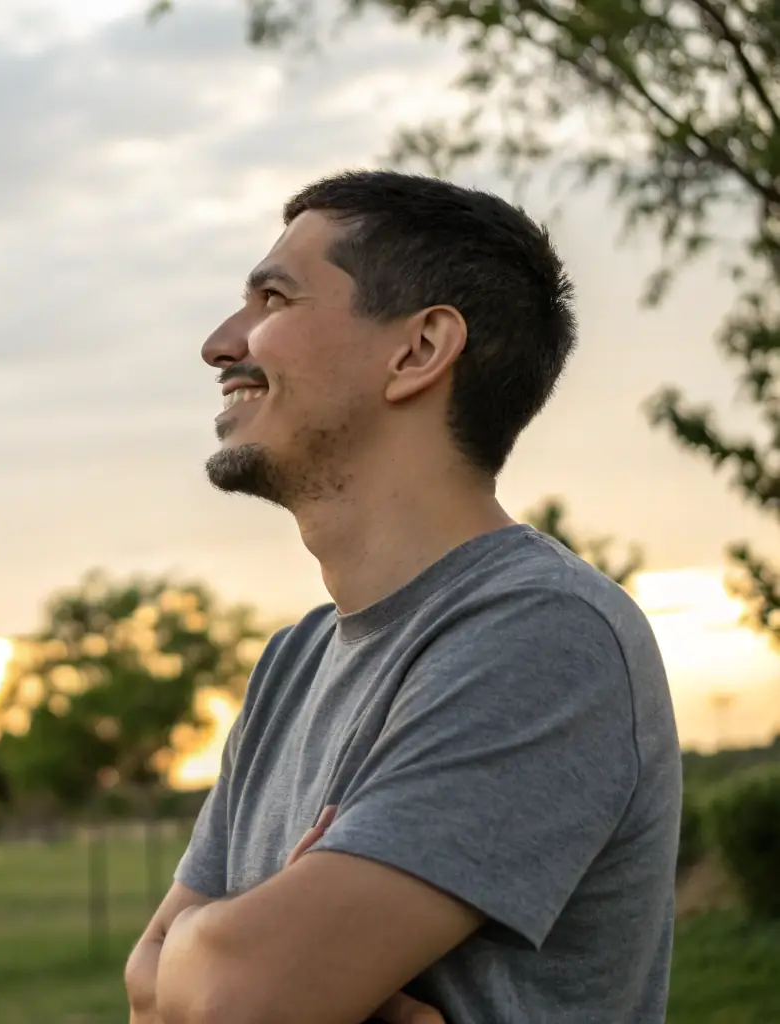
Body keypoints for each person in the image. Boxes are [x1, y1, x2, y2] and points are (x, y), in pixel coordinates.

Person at [123, 171, 681, 1024]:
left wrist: (216, 944)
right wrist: (241, 954)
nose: (220, 343)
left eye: (273, 298)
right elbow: (150, 995)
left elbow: (233, 998)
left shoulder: (543, 635)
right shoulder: (295, 662)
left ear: (418, 350)